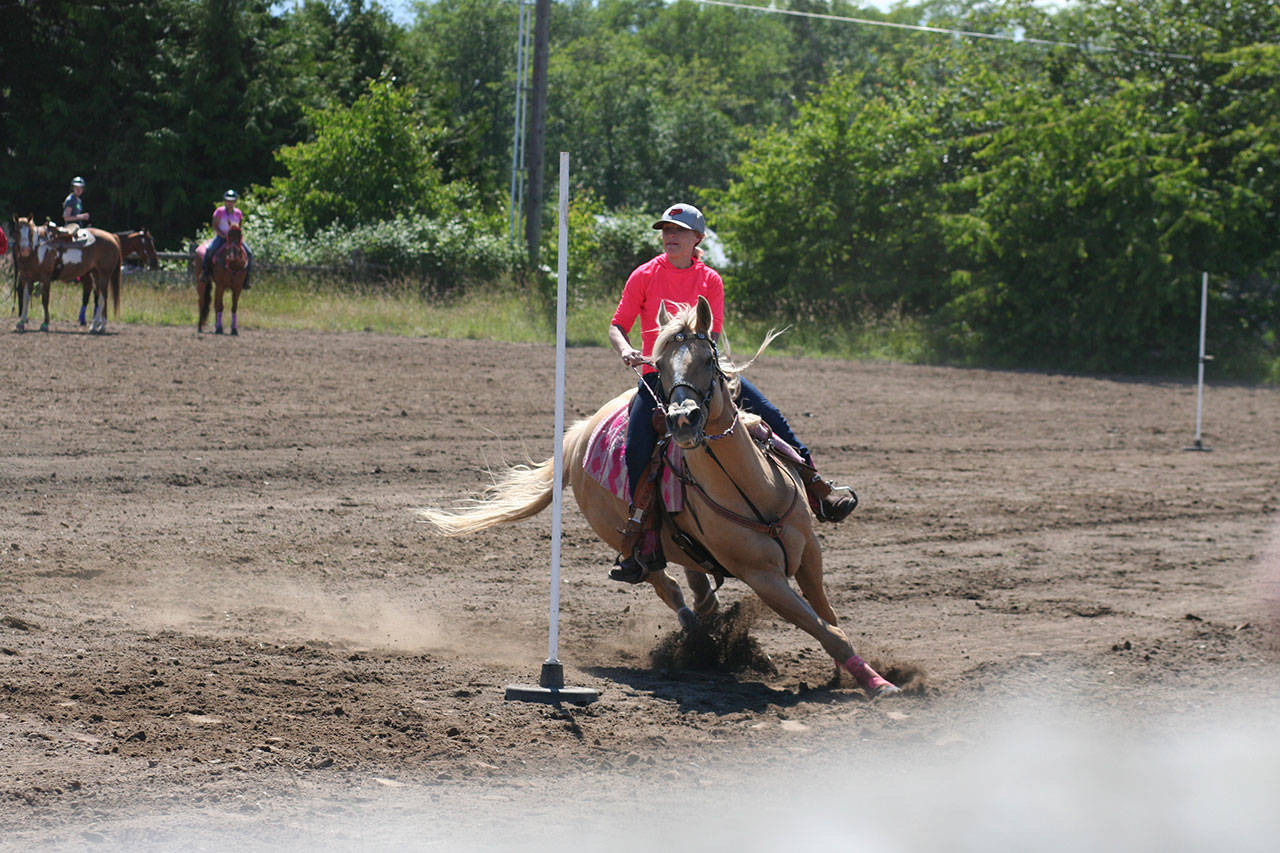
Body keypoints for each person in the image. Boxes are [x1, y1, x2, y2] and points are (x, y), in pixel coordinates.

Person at [607, 202, 858, 583]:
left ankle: (818, 487)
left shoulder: (711, 279)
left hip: (706, 374)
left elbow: (710, 334)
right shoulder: (642, 275)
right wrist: (626, 349)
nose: (669, 236)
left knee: (772, 416)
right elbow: (617, 325)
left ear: (697, 239)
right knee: (637, 447)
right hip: (658, 376)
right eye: (665, 230)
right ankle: (641, 540)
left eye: (677, 230)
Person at [201, 189, 253, 289]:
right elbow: (215, 226)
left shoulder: (238, 213)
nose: (230, 203)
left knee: (249, 253)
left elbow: (239, 227)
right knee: (210, 250)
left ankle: (246, 278)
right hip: (222, 237)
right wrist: (223, 235)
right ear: (225, 201)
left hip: (235, 239)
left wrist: (237, 237)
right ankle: (205, 273)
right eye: (228, 201)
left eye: (232, 201)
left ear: (235, 202)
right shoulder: (219, 211)